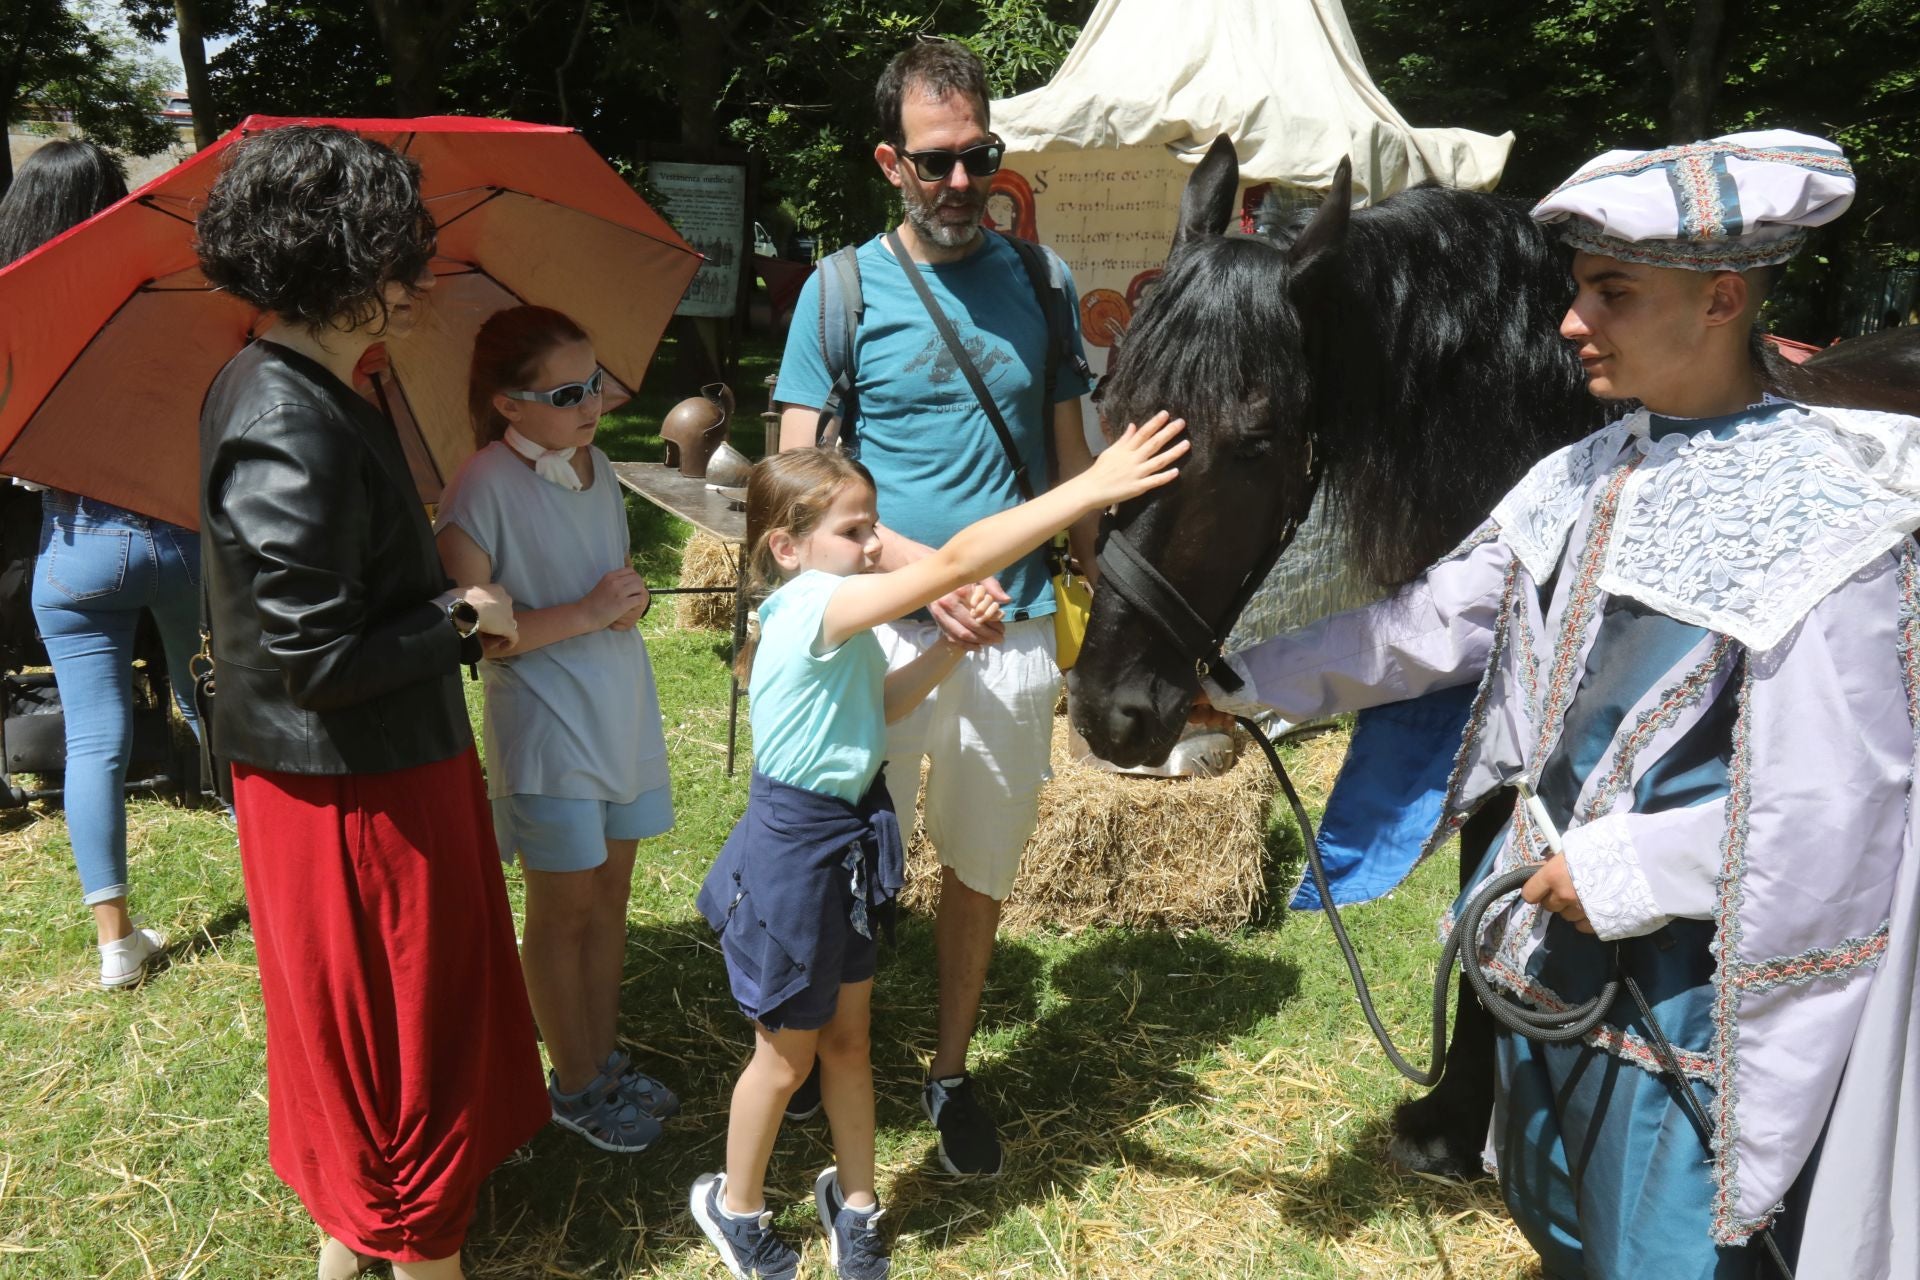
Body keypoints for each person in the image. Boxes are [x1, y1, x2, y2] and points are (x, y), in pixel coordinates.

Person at [1195, 131, 1920, 1277]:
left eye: (1613, 293)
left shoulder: (1831, 525)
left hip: (1688, 1002)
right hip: (1549, 956)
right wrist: (1234, 683)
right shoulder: (1586, 471)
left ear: (1723, 297)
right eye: (1580, 289)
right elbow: (1431, 623)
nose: (1574, 321)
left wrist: (1637, 870)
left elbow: (1844, 818)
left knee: (1664, 1249)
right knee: (1563, 1222)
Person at [690, 416, 1186, 1280]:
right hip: (798, 852)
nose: (876, 544)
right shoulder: (814, 602)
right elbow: (955, 563)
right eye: (855, 532)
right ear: (788, 547)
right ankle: (733, 1207)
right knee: (784, 1055)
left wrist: (952, 649)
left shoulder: (827, 617)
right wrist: (1089, 489)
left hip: (844, 838)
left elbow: (877, 706)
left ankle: (856, 1204)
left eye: (873, 524)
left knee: (849, 1040)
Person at [196, 125, 548, 1280]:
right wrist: (461, 618)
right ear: (341, 259)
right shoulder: (282, 411)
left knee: (382, 1035)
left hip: (370, 770)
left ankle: (353, 1245)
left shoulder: (302, 384)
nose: (417, 278)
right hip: (352, 791)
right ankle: (415, 1252)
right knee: (399, 1041)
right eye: (401, 253)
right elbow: (313, 651)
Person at [772, 37, 1096, 1178]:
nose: (962, 184)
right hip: (880, 628)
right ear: (889, 162)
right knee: (843, 850)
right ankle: (817, 1049)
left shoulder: (1044, 283)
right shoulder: (841, 288)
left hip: (1007, 636)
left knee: (980, 864)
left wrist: (1086, 577)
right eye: (935, 162)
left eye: (979, 157)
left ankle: (950, 1068)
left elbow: (1069, 463)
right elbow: (796, 482)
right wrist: (924, 570)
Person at [435, 305, 678, 1155]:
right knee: (563, 906)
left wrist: (626, 598)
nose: (594, 404)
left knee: (610, 898)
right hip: (545, 724)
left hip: (618, 705)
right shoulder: (477, 489)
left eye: (598, 383)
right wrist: (583, 612)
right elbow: (481, 632)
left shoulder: (598, 465)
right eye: (569, 391)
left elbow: (601, 583)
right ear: (507, 405)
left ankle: (599, 1059)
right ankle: (573, 1082)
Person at [0, 139, 205, 988]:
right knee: (210, 696)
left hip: (73, 545)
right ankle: (272, 874)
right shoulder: (152, 293)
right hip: (174, 533)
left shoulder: (16, 310)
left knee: (94, 742)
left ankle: (116, 942)